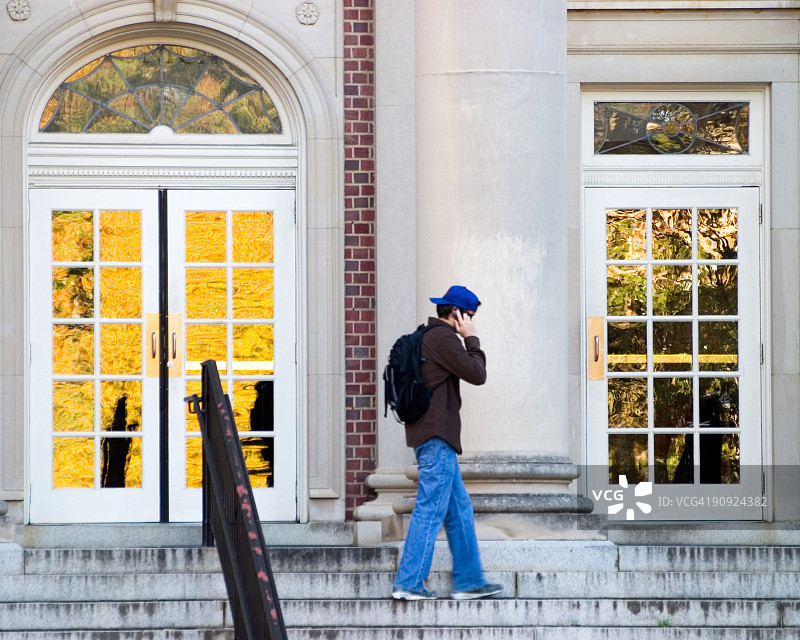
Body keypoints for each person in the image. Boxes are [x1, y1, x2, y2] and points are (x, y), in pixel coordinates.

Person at [391, 285, 503, 601]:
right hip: (437, 438)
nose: (472, 321)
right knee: (430, 508)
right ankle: (408, 582)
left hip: (433, 438)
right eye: (469, 315)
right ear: (455, 313)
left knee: (459, 510)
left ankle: (469, 581)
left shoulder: (429, 336)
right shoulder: (442, 338)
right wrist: (471, 339)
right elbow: (477, 373)